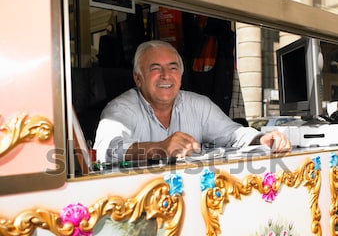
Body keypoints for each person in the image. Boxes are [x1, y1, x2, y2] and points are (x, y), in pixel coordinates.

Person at [93, 40, 291, 163]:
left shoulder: (198, 105)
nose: (165, 76)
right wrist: (158, 148)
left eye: (173, 68)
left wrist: (261, 138)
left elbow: (233, 134)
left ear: (180, 75)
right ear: (138, 78)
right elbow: (105, 149)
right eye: (155, 68)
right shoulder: (121, 108)